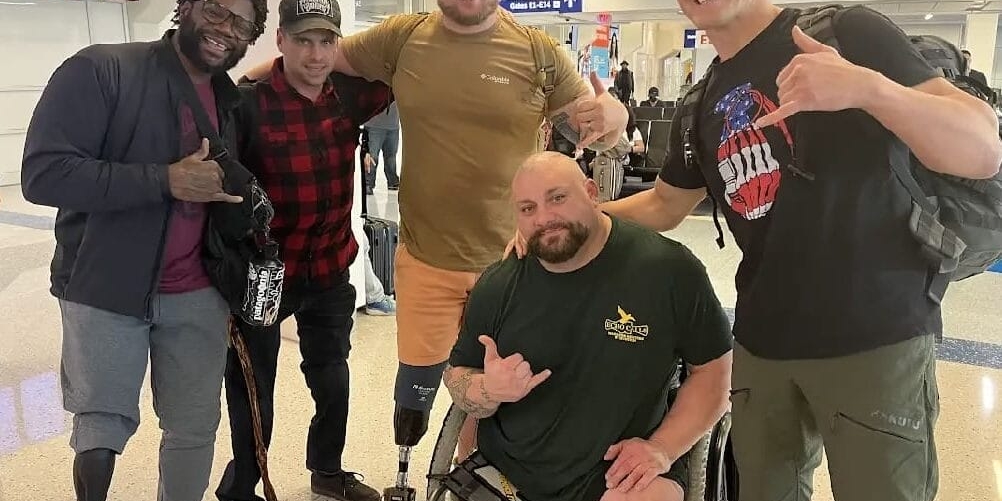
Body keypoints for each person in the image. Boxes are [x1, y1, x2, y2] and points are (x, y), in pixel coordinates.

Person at [592, 2, 1002, 501]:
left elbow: (982, 149)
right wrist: (573, 214)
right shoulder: (699, 103)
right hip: (763, 347)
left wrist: (869, 89)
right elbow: (664, 204)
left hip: (872, 338)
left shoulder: (846, 33)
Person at [246, 0, 629, 457]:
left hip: (513, 261)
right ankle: (411, 469)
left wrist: (617, 119)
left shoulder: (537, 51)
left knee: (506, 388)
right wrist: (238, 83)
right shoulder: (402, 37)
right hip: (426, 260)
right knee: (414, 399)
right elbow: (322, 55)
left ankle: (477, 471)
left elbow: (596, 124)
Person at [20, 0, 265, 499]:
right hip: (105, 287)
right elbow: (43, 174)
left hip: (199, 291)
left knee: (195, 427)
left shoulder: (230, 100)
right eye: (217, 11)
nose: (225, 30)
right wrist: (165, 179)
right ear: (189, 6)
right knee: (101, 427)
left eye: (242, 25)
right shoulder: (100, 69)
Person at [445, 152, 733, 501]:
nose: (545, 218)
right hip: (510, 471)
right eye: (527, 208)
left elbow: (714, 373)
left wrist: (663, 448)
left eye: (557, 198)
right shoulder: (499, 284)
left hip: (620, 474)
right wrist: (488, 388)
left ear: (592, 193)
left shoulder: (668, 271)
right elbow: (458, 375)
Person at [214, 1, 391, 500]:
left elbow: (410, 65)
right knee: (253, 388)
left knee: (332, 378)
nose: (315, 54)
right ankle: (243, 485)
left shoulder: (352, 96)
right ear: (281, 41)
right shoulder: (246, 104)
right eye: (303, 40)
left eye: (326, 41)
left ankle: (327, 472)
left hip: (331, 267)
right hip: (265, 275)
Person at [363, 101, 401, 192]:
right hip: (374, 125)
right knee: (372, 156)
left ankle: (393, 181)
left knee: (391, 156)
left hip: (393, 125)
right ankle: (368, 183)